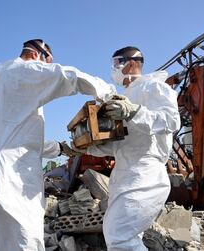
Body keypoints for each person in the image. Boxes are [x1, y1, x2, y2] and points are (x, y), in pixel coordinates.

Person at [0, 39, 115, 250]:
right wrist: (108, 92)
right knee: (25, 237)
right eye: (46, 62)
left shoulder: (7, 83)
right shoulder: (25, 70)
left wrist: (59, 148)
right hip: (13, 173)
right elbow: (68, 76)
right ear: (36, 54)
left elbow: (20, 137)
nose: (45, 68)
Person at [81, 46, 181, 250]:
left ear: (132, 63)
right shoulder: (126, 96)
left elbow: (171, 121)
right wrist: (85, 148)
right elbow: (121, 145)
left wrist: (133, 112)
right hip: (124, 175)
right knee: (118, 235)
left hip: (146, 174)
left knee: (119, 236)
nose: (114, 68)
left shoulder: (154, 87)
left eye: (117, 62)